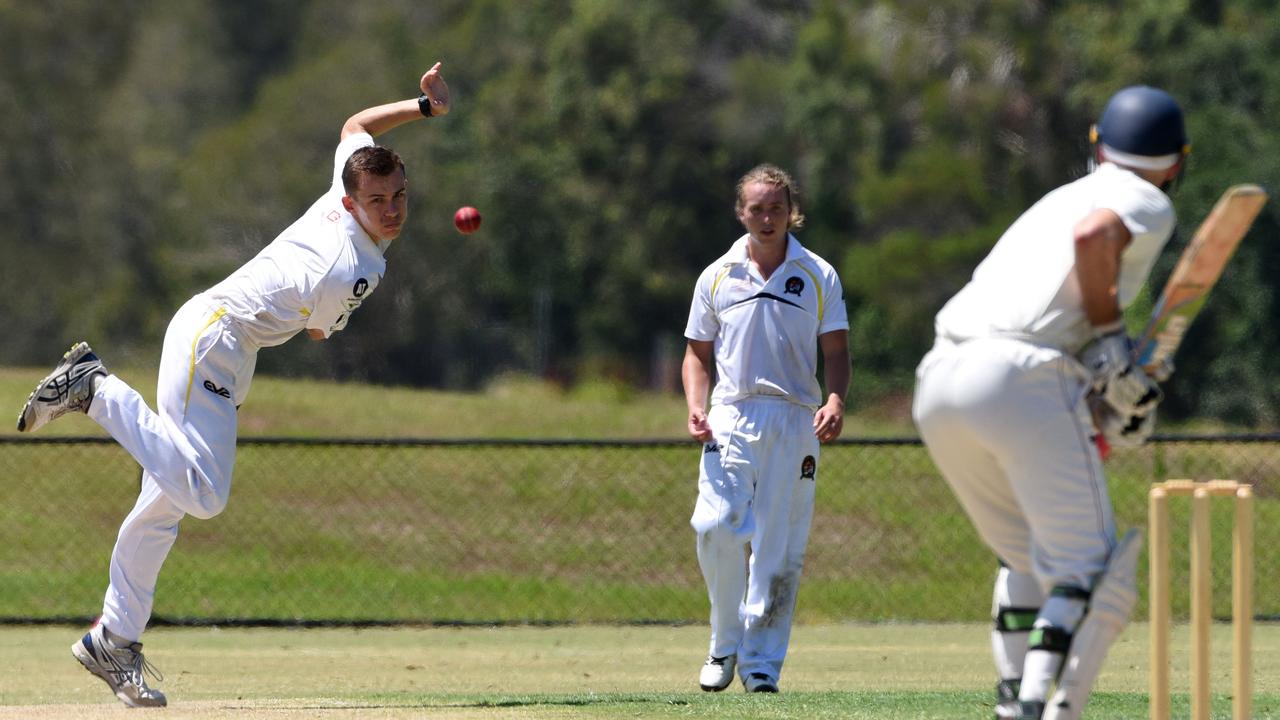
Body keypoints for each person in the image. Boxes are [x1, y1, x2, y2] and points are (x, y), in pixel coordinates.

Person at [15, 63, 453, 707]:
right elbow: (317, 335)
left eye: (400, 197)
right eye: (378, 201)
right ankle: (93, 387)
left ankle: (114, 638)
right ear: (351, 199)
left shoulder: (344, 179)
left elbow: (356, 125)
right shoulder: (353, 270)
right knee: (203, 494)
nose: (392, 211)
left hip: (217, 339)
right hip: (213, 342)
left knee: (162, 508)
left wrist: (421, 107)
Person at [912, 85, 1189, 720]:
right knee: (1092, 572)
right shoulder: (1143, 198)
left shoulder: (1057, 197)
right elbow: (1096, 239)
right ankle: (1049, 709)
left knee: (1027, 560)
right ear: (1176, 162)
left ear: (1097, 144)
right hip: (1017, 376)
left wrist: (1102, 384)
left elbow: (1045, 311)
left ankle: (1015, 707)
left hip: (941, 378)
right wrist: (1116, 347)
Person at [682, 164, 850, 694]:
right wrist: (696, 404)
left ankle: (761, 665)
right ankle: (723, 642)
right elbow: (696, 353)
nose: (767, 217)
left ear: (790, 211)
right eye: (757, 208)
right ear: (741, 212)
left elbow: (837, 351)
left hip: (795, 416)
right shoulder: (716, 275)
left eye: (776, 208)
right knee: (715, 527)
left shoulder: (818, 274)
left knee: (780, 545)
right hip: (731, 414)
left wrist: (836, 398)